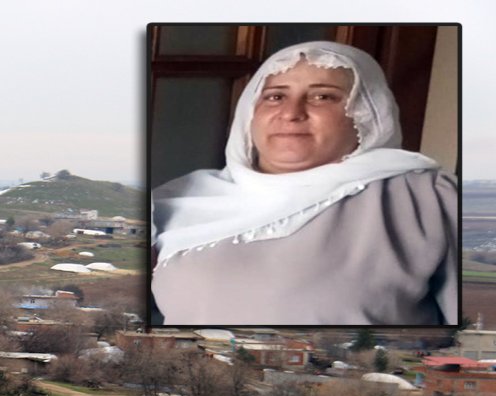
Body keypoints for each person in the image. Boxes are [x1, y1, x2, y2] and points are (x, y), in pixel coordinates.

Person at [151, 41, 457, 326]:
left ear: (366, 115)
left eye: (322, 96)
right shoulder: (176, 201)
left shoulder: (429, 198)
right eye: (275, 96)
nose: (291, 113)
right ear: (250, 113)